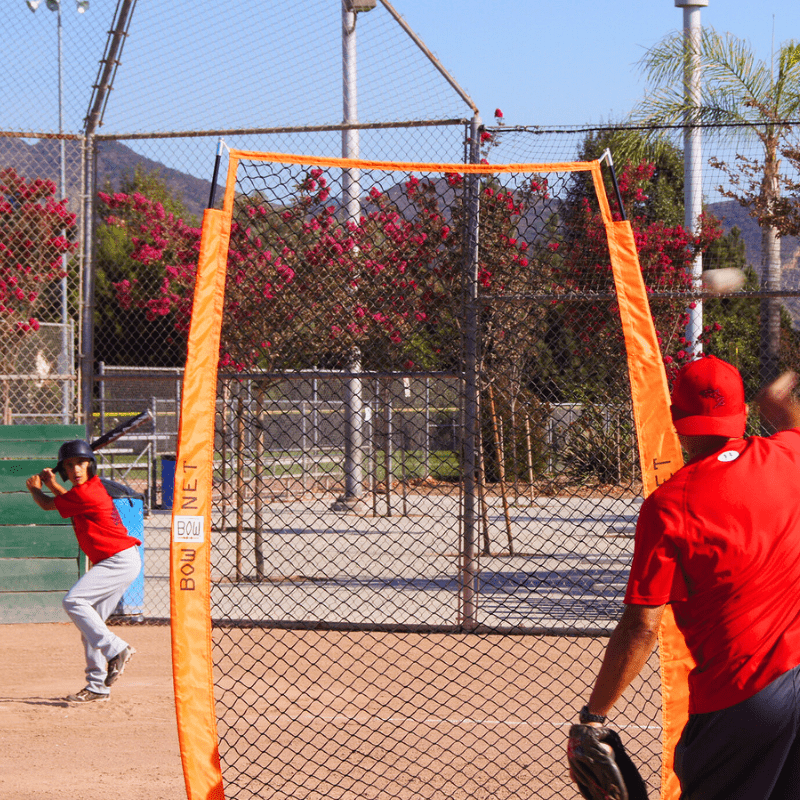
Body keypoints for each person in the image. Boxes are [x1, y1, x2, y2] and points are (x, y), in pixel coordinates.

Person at [575, 355, 800, 800]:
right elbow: (791, 423)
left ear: (676, 419)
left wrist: (594, 715)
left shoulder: (668, 505)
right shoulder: (788, 458)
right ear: (743, 413)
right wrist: (777, 401)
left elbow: (641, 627)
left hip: (738, 701)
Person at [26, 439, 142, 703]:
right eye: (69, 465)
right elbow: (67, 498)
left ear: (91, 464)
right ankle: (98, 687)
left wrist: (35, 489)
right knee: (91, 626)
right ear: (65, 470)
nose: (76, 469)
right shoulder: (86, 490)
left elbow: (47, 504)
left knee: (74, 601)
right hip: (117, 560)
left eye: (81, 462)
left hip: (118, 560)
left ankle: (117, 649)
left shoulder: (88, 492)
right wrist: (52, 483)